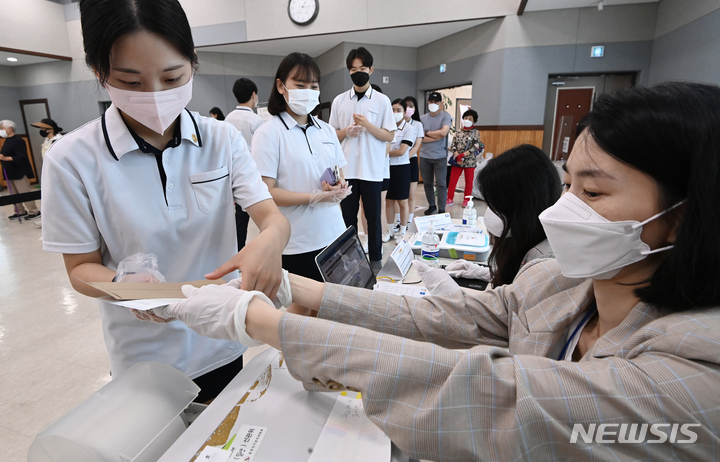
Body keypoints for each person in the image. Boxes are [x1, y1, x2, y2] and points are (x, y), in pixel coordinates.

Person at [152, 82, 720, 460]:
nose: (559, 211)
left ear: (682, 218)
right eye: (567, 183)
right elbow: (448, 319)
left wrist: (259, 323)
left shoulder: (695, 376)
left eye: (591, 191)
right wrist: (292, 289)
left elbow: (491, 396)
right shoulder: (563, 284)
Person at [41, 0, 290, 403]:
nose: (155, 96)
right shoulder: (71, 159)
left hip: (220, 336)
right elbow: (80, 269)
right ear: (98, 72)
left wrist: (269, 242)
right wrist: (123, 284)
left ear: (193, 63)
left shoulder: (222, 139)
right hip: (146, 355)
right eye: (132, 82)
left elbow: (272, 218)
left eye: (173, 77)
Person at [251, 53, 350, 282]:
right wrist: (313, 197)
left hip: (335, 232)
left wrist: (336, 185)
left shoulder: (326, 130)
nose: (308, 90)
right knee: (305, 309)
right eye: (300, 84)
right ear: (281, 86)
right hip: (298, 241)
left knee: (333, 302)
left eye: (313, 85)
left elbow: (337, 172)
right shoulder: (268, 133)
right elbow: (267, 192)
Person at [329, 47, 395, 271]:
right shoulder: (339, 101)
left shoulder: (382, 101)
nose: (358, 72)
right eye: (353, 69)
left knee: (373, 219)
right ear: (349, 72)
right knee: (347, 220)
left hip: (372, 170)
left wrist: (367, 126)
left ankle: (376, 262)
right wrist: (346, 132)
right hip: (347, 171)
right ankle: (350, 263)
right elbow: (331, 136)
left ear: (371, 70)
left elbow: (389, 135)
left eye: (363, 68)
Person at [477, 144, 560, 286]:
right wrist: (487, 273)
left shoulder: (545, 262)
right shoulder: (523, 239)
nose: (490, 211)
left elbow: (510, 306)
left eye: (496, 205)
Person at [225, 78, 266, 252]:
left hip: (231, 172)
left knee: (239, 219)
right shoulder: (257, 121)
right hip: (252, 174)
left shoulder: (227, 119)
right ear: (253, 95)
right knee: (261, 215)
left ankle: (238, 250)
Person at [382, 99, 414, 242]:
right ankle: (389, 231)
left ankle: (402, 231)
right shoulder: (385, 127)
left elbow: (402, 151)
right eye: (393, 109)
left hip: (401, 168)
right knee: (388, 201)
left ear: (404, 112)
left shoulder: (409, 129)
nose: (395, 113)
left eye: (399, 110)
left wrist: (383, 152)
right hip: (386, 168)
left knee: (402, 201)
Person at [0, 120, 40, 220]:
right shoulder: (7, 141)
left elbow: (21, 157)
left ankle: (34, 211)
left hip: (19, 172)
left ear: (10, 128)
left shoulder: (19, 140)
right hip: (9, 172)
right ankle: (20, 211)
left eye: (2, 128)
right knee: (13, 194)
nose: (1, 131)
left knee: (24, 193)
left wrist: (5, 158)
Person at [419, 92, 452, 215]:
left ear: (441, 104)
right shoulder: (422, 118)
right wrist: (435, 136)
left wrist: (426, 133)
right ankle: (432, 205)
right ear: (428, 103)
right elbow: (420, 137)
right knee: (427, 183)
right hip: (424, 156)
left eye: (436, 102)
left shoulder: (445, 116)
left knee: (441, 184)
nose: (433, 104)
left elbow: (444, 132)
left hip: (440, 157)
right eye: (431, 102)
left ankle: (442, 209)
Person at [446, 109, 482, 207]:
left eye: (470, 118)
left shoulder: (475, 132)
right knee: (452, 180)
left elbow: (476, 146)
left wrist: (463, 155)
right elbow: (453, 145)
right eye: (466, 118)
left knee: (469, 181)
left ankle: (466, 199)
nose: (467, 120)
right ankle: (449, 198)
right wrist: (457, 154)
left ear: (474, 121)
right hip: (457, 160)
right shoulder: (458, 132)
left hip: (469, 160)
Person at [401, 96, 423, 228]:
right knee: (399, 195)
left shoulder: (417, 124)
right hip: (397, 162)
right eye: (406, 106)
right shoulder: (396, 123)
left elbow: (417, 145)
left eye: (412, 106)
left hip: (411, 160)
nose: (408, 109)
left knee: (411, 194)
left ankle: (409, 220)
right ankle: (398, 221)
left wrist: (406, 157)